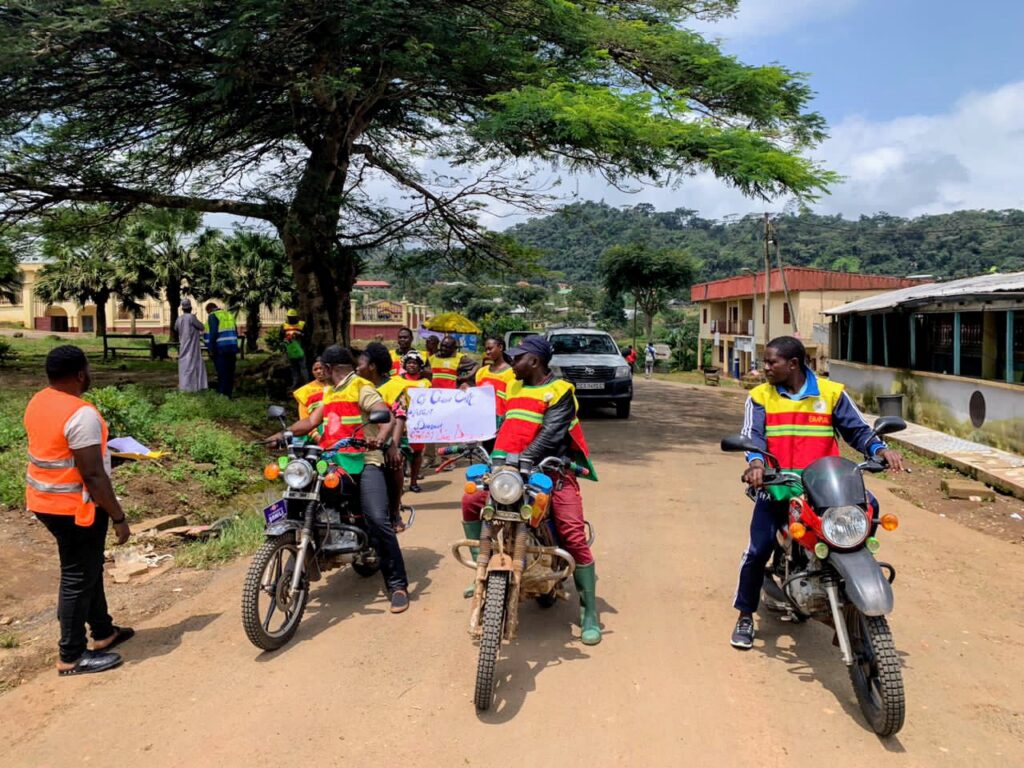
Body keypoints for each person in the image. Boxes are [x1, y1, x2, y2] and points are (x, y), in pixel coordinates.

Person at [731, 336, 905, 650]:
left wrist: (879, 449)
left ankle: (852, 598)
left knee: (868, 510)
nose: (765, 368)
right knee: (757, 550)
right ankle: (745, 612)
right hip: (778, 486)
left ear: (793, 364)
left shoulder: (831, 393)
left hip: (825, 489)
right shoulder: (760, 397)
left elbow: (857, 430)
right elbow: (753, 437)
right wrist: (756, 464)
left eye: (771, 362)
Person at [461, 336, 602, 645]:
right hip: (505, 473)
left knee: (573, 534)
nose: (512, 364)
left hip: (549, 471)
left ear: (535, 362)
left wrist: (522, 460)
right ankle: (480, 566)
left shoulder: (561, 392)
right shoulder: (512, 387)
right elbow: (495, 424)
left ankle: (589, 610)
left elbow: (551, 434)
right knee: (472, 500)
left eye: (518, 359)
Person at [264, 345, 410, 614]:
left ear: (331, 369)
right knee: (305, 499)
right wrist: (281, 436)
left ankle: (397, 584)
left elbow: (384, 413)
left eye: (323, 368)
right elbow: (309, 423)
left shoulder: (360, 387)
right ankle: (308, 557)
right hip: (333, 462)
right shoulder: (329, 392)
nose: (321, 372)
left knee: (378, 519)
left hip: (365, 461)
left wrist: (379, 436)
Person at [25, 346, 134, 676]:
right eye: (88, 368)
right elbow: (92, 475)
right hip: (74, 507)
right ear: (80, 374)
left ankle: (103, 632)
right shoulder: (81, 413)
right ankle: (71, 655)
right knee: (77, 574)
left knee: (89, 566)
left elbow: (62, 452)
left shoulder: (39, 401)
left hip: (45, 501)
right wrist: (119, 517)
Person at [357, 342, 411, 533]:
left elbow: (399, 417)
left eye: (361, 362)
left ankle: (394, 512)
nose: (357, 366)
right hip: (362, 438)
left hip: (390, 438)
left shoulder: (395, 386)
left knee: (395, 463)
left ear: (372, 366)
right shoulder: (357, 384)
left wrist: (392, 446)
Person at [474, 335, 515, 446]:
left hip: (503, 423)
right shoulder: (481, 372)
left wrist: (504, 422)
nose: (487, 352)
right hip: (486, 422)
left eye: (490, 348)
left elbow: (513, 401)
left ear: (500, 347)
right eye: (486, 349)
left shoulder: (511, 373)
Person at [400, 352, 431, 492]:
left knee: (417, 453)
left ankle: (413, 482)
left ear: (420, 366)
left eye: (415, 363)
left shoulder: (425, 383)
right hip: (402, 422)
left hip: (419, 422)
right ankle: (399, 485)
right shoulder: (397, 381)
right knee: (401, 454)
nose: (411, 365)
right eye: (409, 362)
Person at [204, 301, 238, 397]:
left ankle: (222, 393)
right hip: (232, 347)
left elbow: (213, 333)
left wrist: (210, 348)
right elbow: (235, 330)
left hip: (220, 348)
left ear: (209, 310)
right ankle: (229, 393)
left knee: (222, 371)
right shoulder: (228, 314)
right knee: (230, 371)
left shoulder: (213, 316)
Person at [174, 298, 207, 392]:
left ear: (182, 308)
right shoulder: (192, 317)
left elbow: (176, 328)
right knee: (193, 364)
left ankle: (185, 386)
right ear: (191, 308)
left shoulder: (179, 319)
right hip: (192, 346)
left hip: (183, 345)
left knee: (184, 365)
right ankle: (194, 386)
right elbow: (201, 327)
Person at [281, 309, 307, 390]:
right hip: (290, 350)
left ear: (296, 317)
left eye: (293, 317)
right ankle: (295, 384)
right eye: (290, 317)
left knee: (303, 368)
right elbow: (281, 337)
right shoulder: (284, 326)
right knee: (294, 368)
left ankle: (305, 384)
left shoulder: (302, 325)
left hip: (301, 350)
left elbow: (307, 336)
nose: (291, 319)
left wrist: (300, 334)